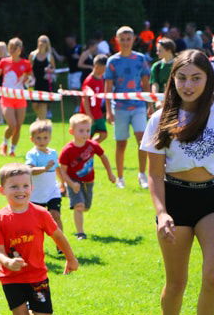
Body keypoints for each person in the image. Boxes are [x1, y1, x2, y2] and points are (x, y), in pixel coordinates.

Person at [140, 50, 214, 315]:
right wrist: (162, 213)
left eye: (196, 78)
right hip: (175, 201)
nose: (188, 85)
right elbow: (154, 174)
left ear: (209, 80)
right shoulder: (160, 118)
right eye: (182, 78)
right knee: (176, 282)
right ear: (172, 80)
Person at [0, 163, 78, 315]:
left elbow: (58, 236)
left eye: (25, 186)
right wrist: (8, 262)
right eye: (14, 186)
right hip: (10, 277)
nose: (20, 190)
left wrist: (70, 258)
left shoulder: (41, 214)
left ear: (32, 187)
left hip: (37, 275)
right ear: (2, 190)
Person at [104, 26, 151, 189]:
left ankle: (142, 174)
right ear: (117, 40)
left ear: (133, 40)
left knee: (142, 141)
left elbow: (146, 84)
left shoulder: (140, 59)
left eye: (128, 39)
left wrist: (149, 105)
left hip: (138, 106)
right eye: (122, 39)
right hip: (120, 108)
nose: (125, 42)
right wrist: (108, 111)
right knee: (121, 143)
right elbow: (108, 88)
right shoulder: (112, 61)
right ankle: (120, 177)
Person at [58, 114, 116, 239]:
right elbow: (62, 171)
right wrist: (70, 184)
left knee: (86, 207)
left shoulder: (92, 145)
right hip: (74, 181)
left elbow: (103, 157)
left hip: (89, 181)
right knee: (79, 206)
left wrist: (110, 173)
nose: (85, 134)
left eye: (88, 130)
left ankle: (76, 203)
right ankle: (81, 233)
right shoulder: (67, 150)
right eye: (81, 131)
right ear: (72, 132)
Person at [0, 37, 32, 156]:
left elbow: (31, 79)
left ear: (20, 49)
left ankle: (12, 150)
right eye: (11, 48)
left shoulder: (26, 64)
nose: (12, 50)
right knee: (12, 125)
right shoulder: (4, 62)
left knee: (18, 126)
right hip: (6, 98)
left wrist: (29, 81)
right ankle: (4, 143)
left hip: (20, 98)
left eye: (15, 48)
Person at [24, 120, 63, 231]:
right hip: (36, 194)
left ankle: (61, 242)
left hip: (52, 191)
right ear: (32, 139)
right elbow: (30, 170)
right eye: (38, 138)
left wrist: (63, 183)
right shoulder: (32, 154)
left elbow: (57, 168)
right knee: (35, 221)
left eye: (45, 138)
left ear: (50, 138)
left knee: (55, 215)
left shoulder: (53, 153)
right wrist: (44, 168)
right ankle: (36, 241)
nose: (42, 141)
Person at [80, 54, 108, 142]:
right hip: (88, 114)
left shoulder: (102, 78)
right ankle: (86, 148)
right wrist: (89, 115)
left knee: (104, 134)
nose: (105, 70)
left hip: (98, 113)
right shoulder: (89, 81)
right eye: (104, 68)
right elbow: (85, 99)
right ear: (96, 66)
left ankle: (91, 147)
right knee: (86, 137)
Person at [28, 35, 56, 121]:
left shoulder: (49, 56)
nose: (42, 43)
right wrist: (31, 77)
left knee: (43, 103)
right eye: (40, 41)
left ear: (47, 44)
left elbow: (54, 69)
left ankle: (42, 121)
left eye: (44, 41)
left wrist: (49, 70)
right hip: (34, 83)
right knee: (35, 104)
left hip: (45, 82)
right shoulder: (32, 55)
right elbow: (28, 68)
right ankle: (40, 118)